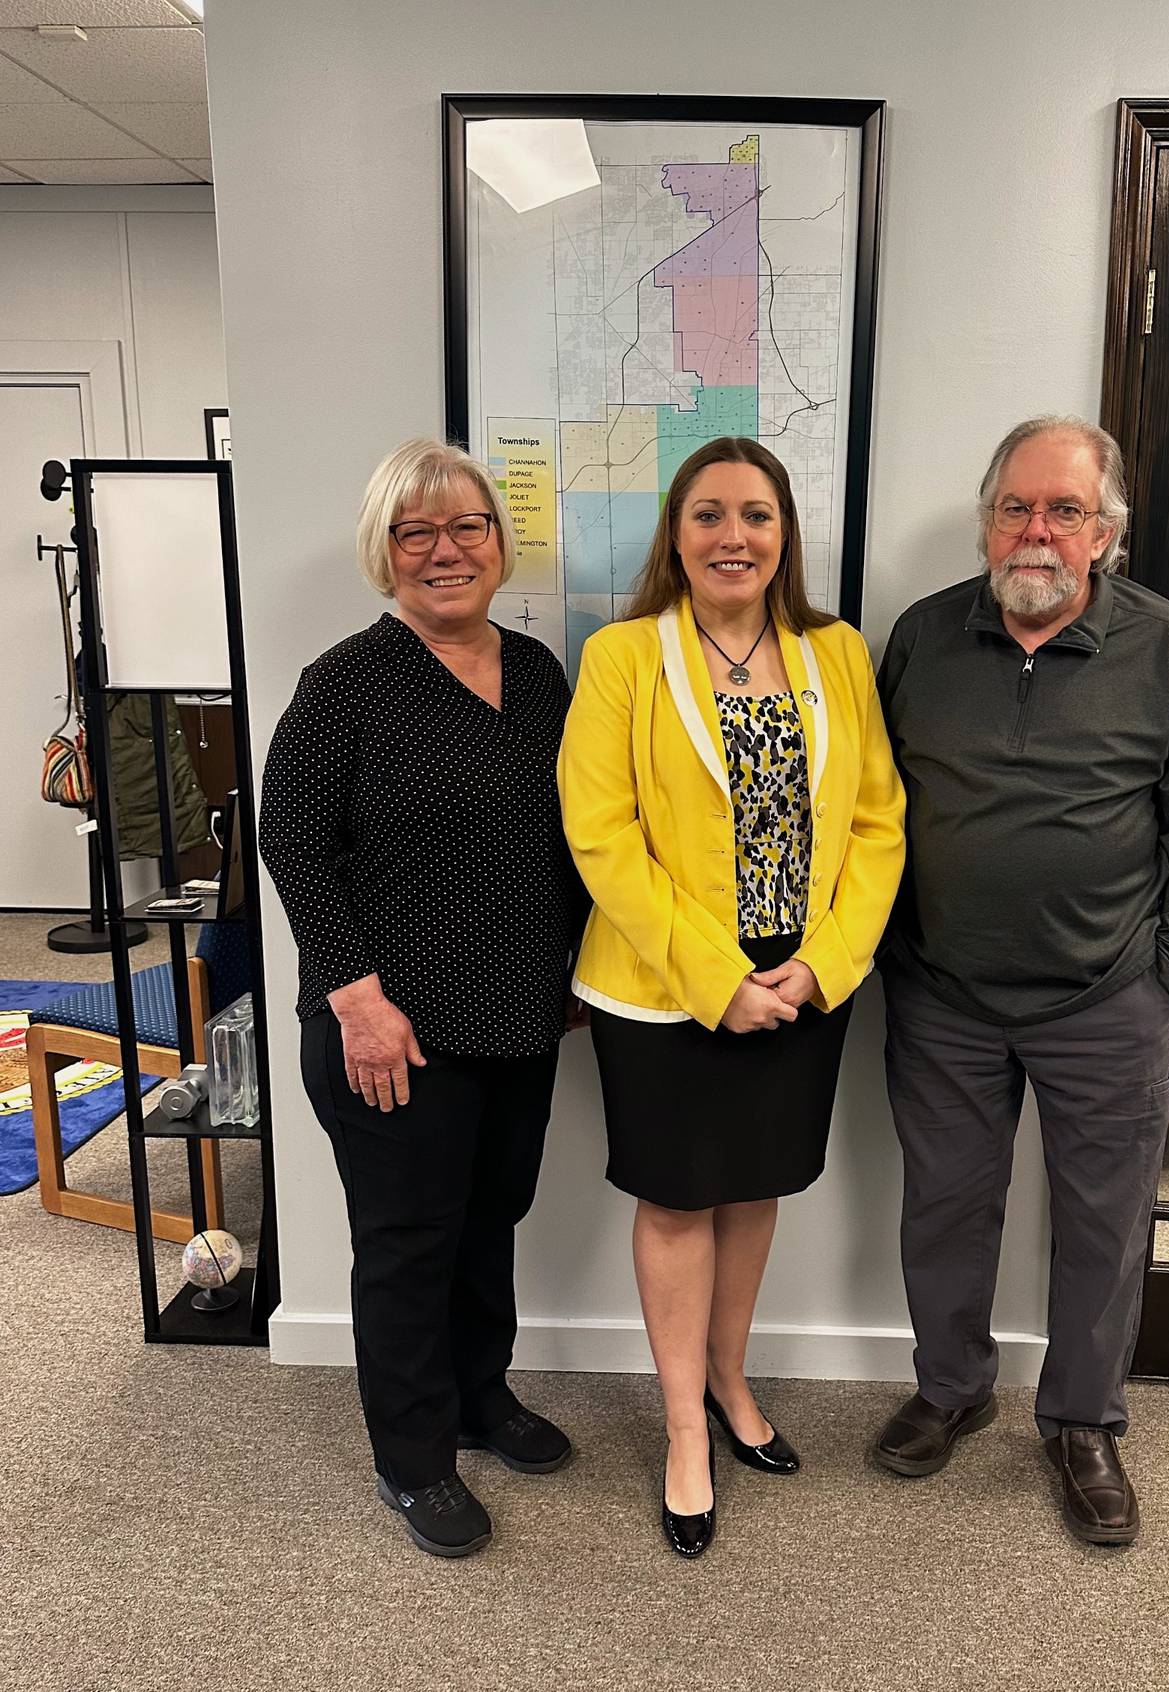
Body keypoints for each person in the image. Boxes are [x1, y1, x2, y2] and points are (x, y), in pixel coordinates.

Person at [872, 416, 1169, 1546]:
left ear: (1107, 533)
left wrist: (1167, 965)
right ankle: (951, 1387)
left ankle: (1083, 1420)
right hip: (944, 998)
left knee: (1103, 1222)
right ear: (988, 520)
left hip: (1106, 998)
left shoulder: (1168, 645)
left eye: (1065, 511)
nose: (1036, 531)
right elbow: (871, 807)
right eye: (1016, 508)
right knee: (943, 1208)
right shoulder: (924, 637)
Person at [558, 436, 905, 1558]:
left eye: (755, 515)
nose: (733, 537)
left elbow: (876, 823)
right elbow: (600, 836)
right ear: (676, 533)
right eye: (708, 515)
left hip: (803, 983)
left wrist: (825, 965)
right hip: (664, 988)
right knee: (676, 1199)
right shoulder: (621, 657)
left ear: (785, 532)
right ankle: (682, 1435)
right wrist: (718, 981)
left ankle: (730, 1380)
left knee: (753, 1189)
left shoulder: (836, 652)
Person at [259, 437, 586, 1560]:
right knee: (407, 1241)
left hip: (516, 1015)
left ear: (499, 543)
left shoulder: (539, 673)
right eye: (417, 532)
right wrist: (356, 997)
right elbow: (292, 842)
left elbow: (566, 839)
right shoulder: (345, 682)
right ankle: (414, 1458)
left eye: (468, 529)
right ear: (384, 550)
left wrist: (572, 973)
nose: (446, 552)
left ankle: (477, 1397)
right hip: (388, 1029)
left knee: (489, 1219)